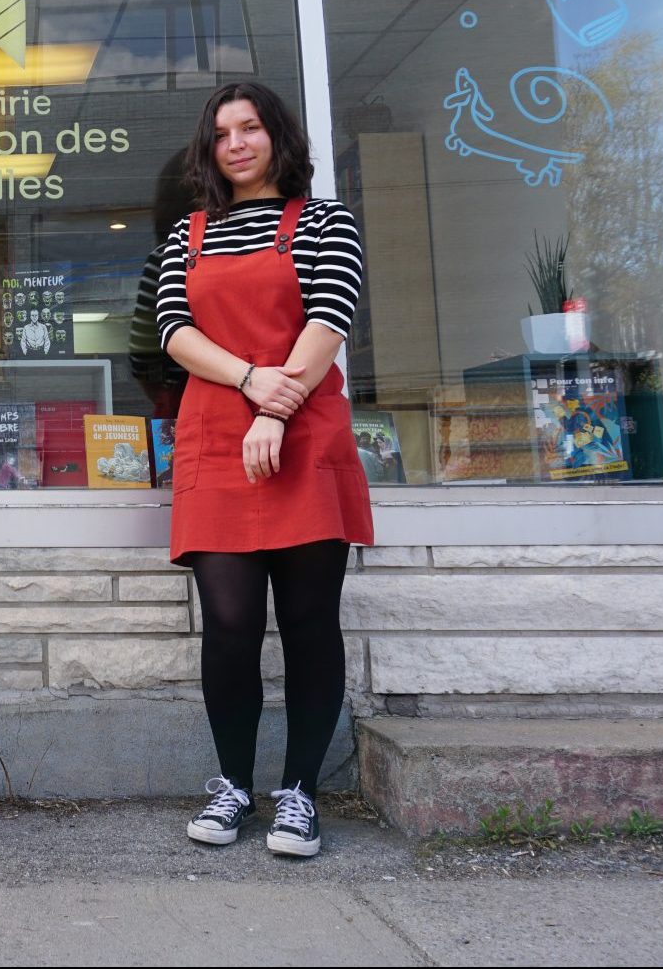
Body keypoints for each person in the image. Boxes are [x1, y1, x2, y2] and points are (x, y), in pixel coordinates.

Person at [156, 80, 373, 858]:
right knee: (230, 623)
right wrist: (251, 383)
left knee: (310, 621)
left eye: (250, 127)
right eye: (222, 134)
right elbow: (174, 331)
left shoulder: (325, 221)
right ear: (208, 150)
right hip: (217, 437)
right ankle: (234, 786)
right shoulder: (189, 233)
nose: (237, 144)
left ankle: (300, 792)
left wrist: (277, 411)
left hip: (305, 434)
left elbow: (329, 318)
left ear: (277, 136)